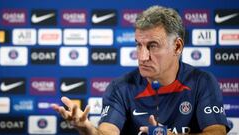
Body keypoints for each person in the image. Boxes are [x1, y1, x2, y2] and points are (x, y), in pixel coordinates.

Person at [52, 5, 230, 135]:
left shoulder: (202, 81)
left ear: (177, 47)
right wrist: (88, 129)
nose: (143, 57)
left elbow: (217, 132)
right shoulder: (119, 87)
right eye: (139, 45)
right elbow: (107, 132)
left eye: (153, 46)